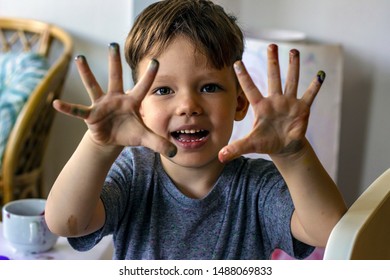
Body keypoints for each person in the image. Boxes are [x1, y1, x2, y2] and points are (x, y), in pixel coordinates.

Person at [45, 0, 347, 260]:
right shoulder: (133, 173)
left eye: (209, 87)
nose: (188, 105)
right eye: (164, 90)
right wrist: (99, 147)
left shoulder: (257, 186)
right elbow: (65, 222)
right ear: (139, 109)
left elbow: (331, 233)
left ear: (239, 103)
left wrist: (292, 155)